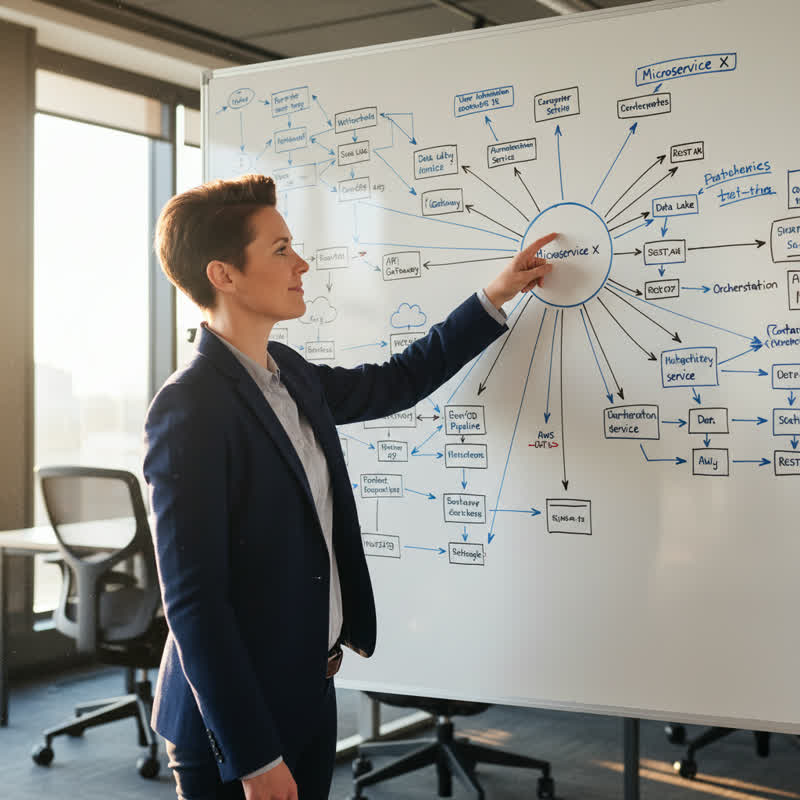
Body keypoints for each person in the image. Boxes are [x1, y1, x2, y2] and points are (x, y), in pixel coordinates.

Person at [143, 172, 557, 800]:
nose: (301, 263)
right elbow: (194, 603)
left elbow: (398, 380)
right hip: (233, 725)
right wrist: (254, 758)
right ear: (223, 274)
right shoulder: (190, 408)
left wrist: (495, 294)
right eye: (281, 250)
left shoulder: (291, 376)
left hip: (308, 689)